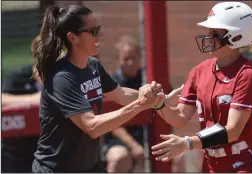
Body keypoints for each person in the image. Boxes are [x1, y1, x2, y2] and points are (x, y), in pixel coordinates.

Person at [30, 5, 179, 173]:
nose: (99, 35)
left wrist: (158, 98)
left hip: (90, 167)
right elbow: (92, 126)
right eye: (93, 31)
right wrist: (140, 104)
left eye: (98, 29)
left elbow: (121, 94)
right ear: (73, 38)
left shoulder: (92, 66)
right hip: (56, 169)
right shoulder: (62, 78)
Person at [150, 2, 252, 173]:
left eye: (215, 33)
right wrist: (158, 104)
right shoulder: (200, 71)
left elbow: (233, 130)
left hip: (244, 162)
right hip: (211, 163)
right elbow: (180, 118)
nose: (208, 37)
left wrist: (187, 143)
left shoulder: (247, 75)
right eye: (209, 31)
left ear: (236, 36)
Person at [103, 35, 145, 172]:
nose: (130, 63)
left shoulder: (147, 79)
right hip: (117, 140)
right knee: (121, 157)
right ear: (118, 60)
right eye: (126, 59)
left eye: (134, 58)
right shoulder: (111, 82)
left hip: (144, 136)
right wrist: (133, 145)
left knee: (177, 155)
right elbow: (110, 122)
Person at [1, 64, 41, 173]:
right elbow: (2, 100)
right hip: (16, 155)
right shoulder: (18, 76)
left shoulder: (65, 76)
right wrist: (35, 100)